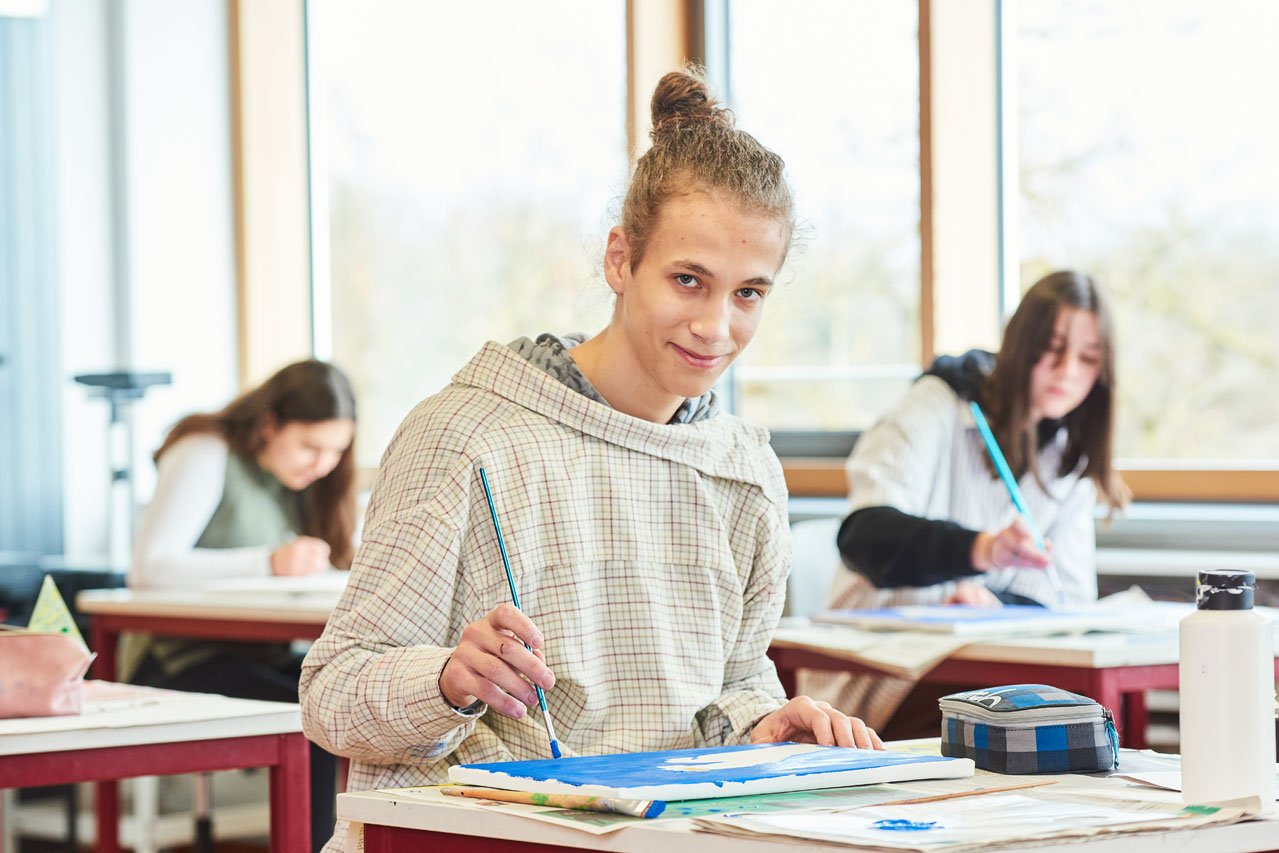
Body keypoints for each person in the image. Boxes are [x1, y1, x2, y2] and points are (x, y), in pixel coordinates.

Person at [300, 66, 882, 852]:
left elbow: (734, 688)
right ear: (619, 260)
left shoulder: (743, 469)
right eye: (688, 280)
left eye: (748, 293)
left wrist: (767, 722)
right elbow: (332, 692)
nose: (715, 326)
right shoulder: (466, 434)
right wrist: (447, 679)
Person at [806, 270, 1129, 737]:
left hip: (989, 669)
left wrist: (995, 601)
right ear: (1021, 345)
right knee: (1035, 726)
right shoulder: (936, 406)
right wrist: (980, 550)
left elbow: (1067, 600)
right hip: (884, 682)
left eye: (1088, 358)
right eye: (1053, 350)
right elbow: (865, 536)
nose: (1068, 372)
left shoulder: (1067, 458)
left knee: (1078, 717)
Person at [126, 358, 357, 851]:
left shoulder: (297, 484)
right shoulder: (205, 451)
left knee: (347, 694)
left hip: (255, 656)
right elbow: (149, 568)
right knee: (312, 713)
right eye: (310, 447)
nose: (321, 464)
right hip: (175, 661)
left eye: (335, 452)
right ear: (269, 423)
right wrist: (269, 562)